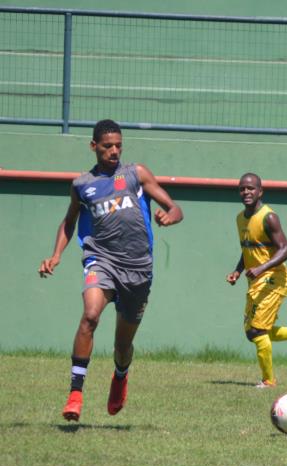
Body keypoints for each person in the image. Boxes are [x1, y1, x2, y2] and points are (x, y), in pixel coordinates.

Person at [39, 119, 184, 422]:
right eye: (107, 146)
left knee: (122, 343)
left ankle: (120, 375)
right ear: (94, 147)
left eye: (118, 145)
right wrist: (55, 255)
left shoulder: (136, 174)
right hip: (101, 259)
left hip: (138, 267)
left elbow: (176, 208)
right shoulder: (82, 185)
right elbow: (69, 222)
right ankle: (75, 394)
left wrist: (171, 215)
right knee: (90, 315)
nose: (114, 151)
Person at [226, 173, 287, 388]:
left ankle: (269, 381)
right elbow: (248, 249)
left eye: (251, 188)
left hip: (274, 279)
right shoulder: (240, 219)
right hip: (256, 280)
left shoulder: (268, 217)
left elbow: (286, 250)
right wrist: (237, 271)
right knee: (256, 331)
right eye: (242, 188)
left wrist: (261, 268)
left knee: (256, 331)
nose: (246, 192)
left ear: (260, 191)